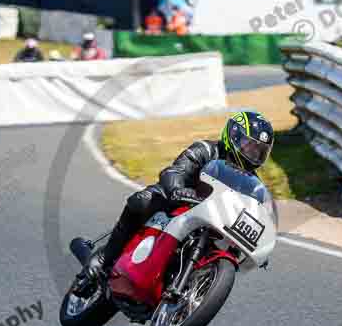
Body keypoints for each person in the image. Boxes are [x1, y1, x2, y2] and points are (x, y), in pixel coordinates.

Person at [83, 110, 275, 286]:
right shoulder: (206, 150)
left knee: (229, 249)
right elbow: (176, 170)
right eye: (249, 146)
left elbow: (256, 213)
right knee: (142, 200)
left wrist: (260, 242)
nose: (253, 154)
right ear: (233, 136)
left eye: (259, 151)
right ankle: (105, 257)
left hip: (214, 222)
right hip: (179, 202)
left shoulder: (252, 183)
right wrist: (177, 189)